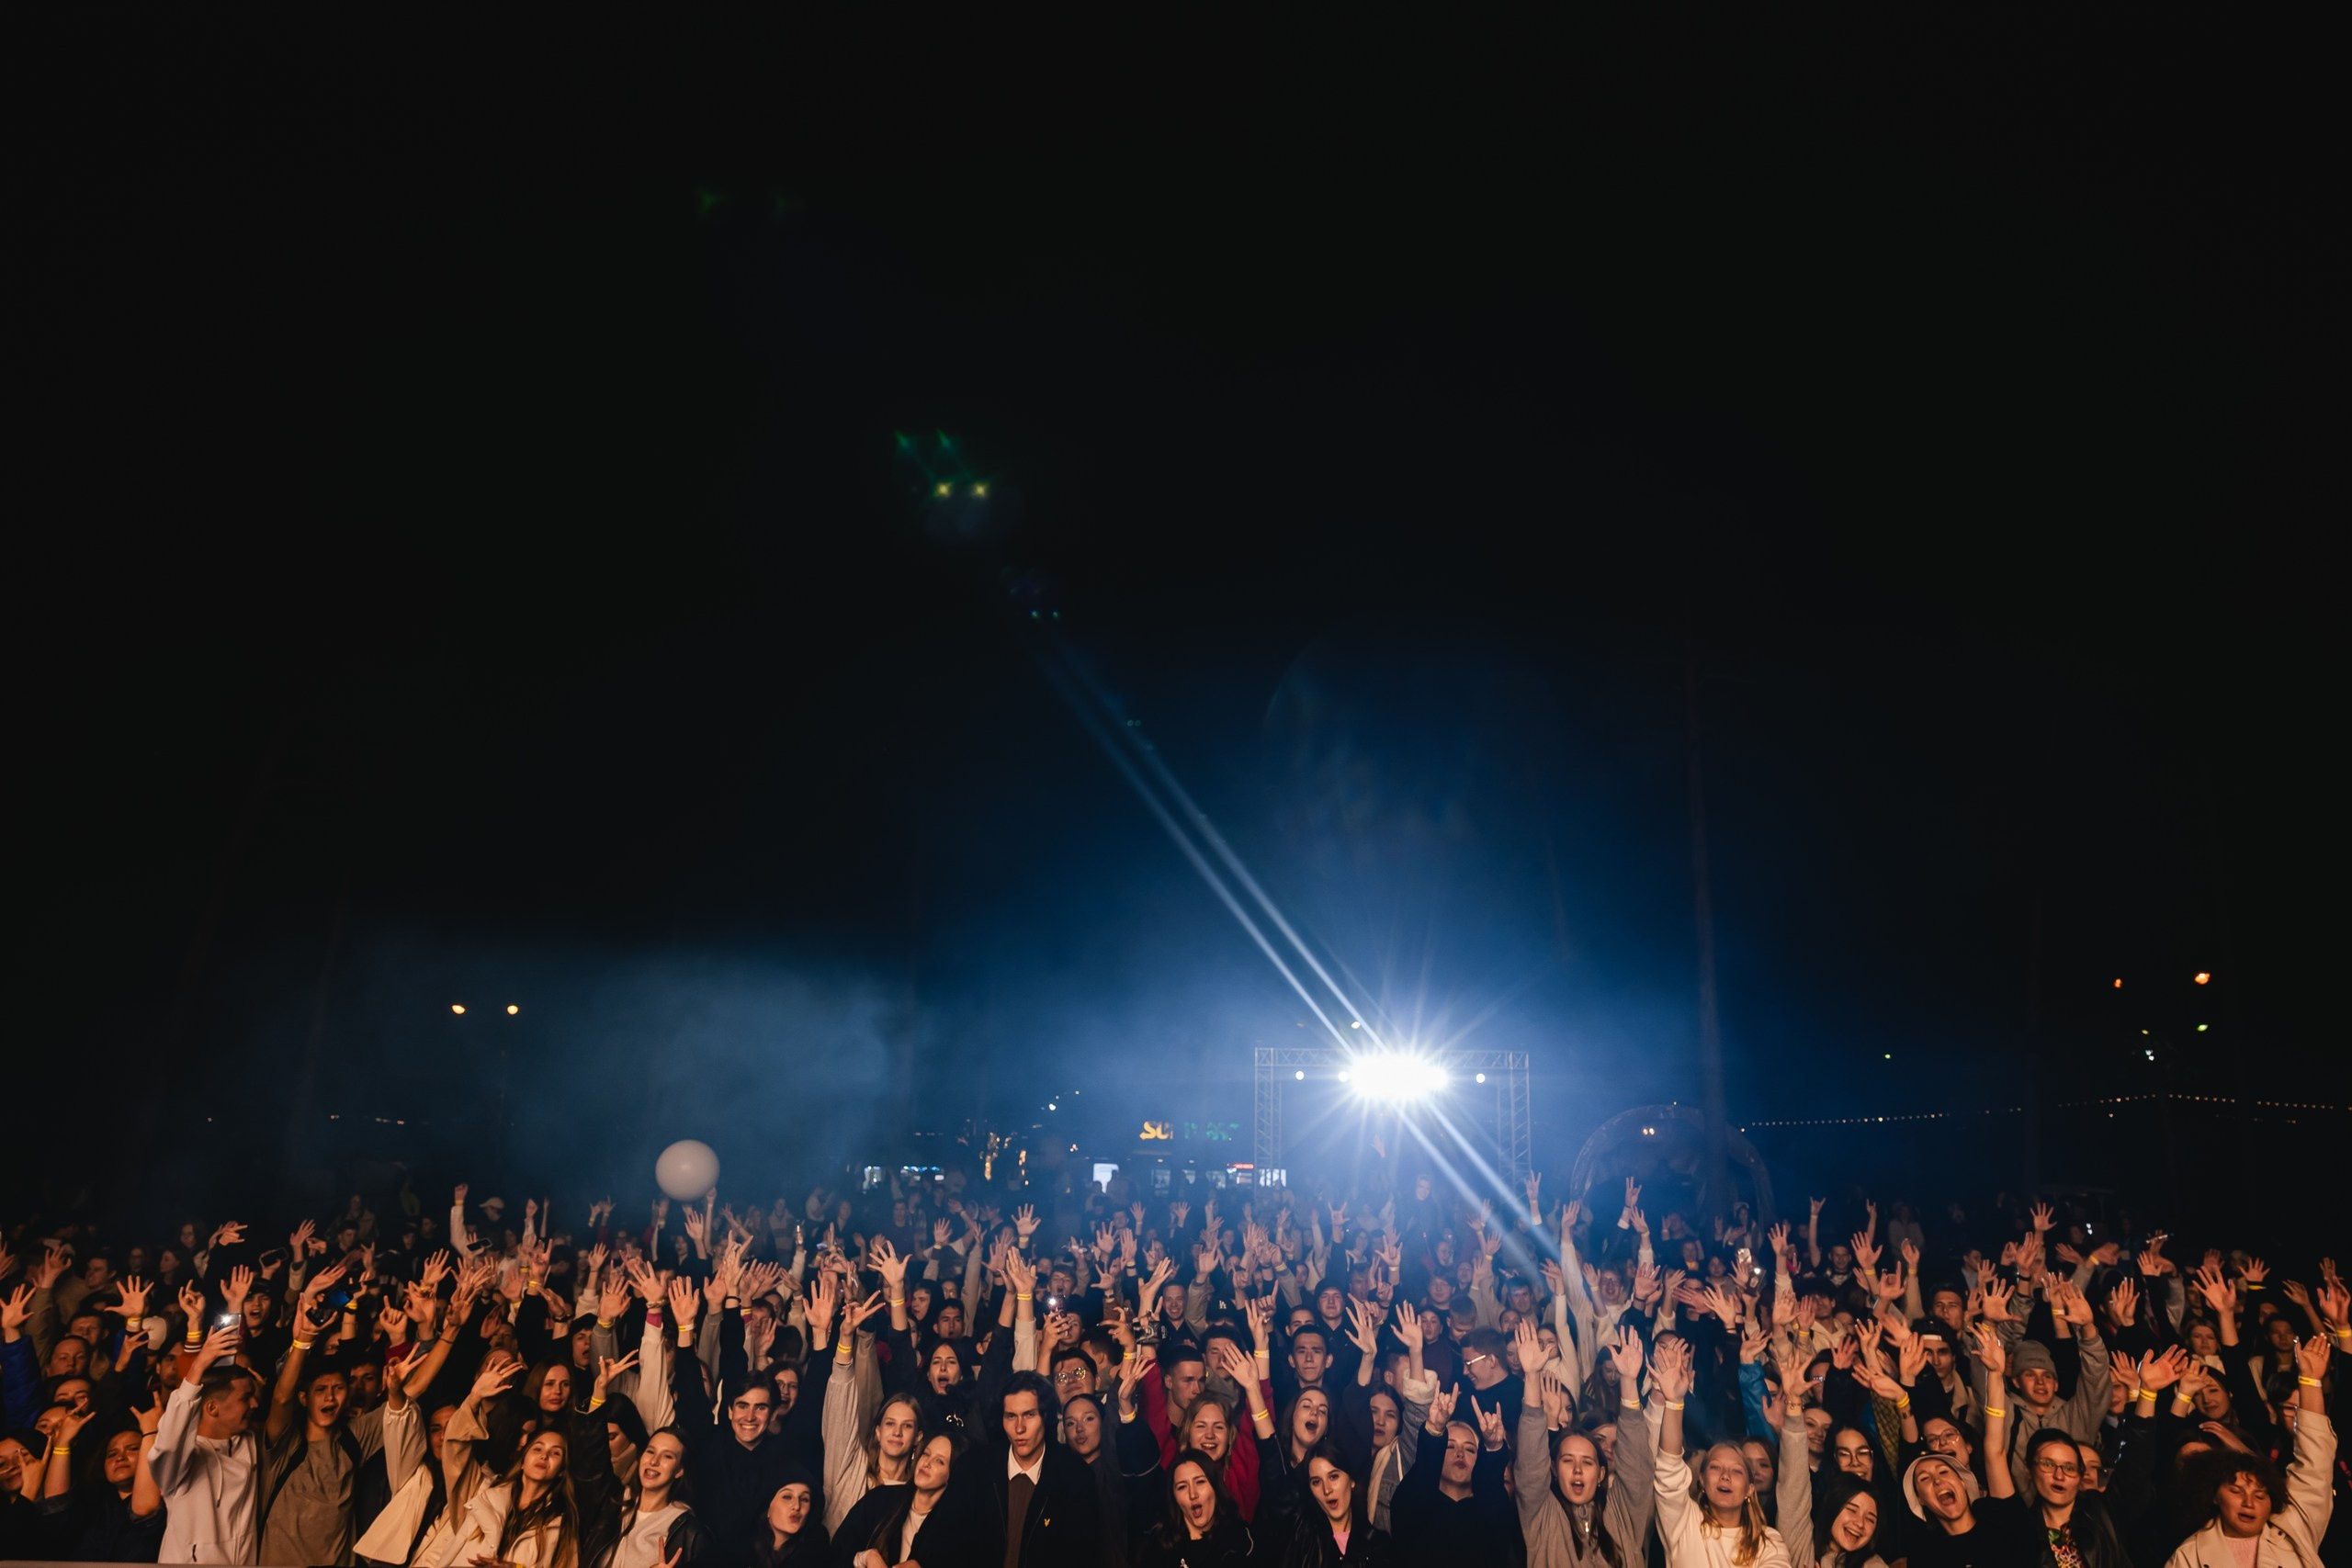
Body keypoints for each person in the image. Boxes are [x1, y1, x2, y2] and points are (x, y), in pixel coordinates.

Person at [2163, 1332, 2334, 1567]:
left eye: (2260, 1495)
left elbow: (2316, 1463)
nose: (2248, 1502)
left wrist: (2311, 1380)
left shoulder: (2293, 1531)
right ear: (2214, 1495)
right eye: (2236, 1491)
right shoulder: (2189, 1556)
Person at [1652, 1335, 1789, 1568]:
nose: (1725, 1476)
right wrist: (1674, 1402)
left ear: (1750, 1488)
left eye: (1736, 1472)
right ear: (1702, 1480)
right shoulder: (1684, 1523)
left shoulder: (1770, 1542)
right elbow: (1668, 1469)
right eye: (1715, 1467)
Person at [149, 1323, 264, 1564]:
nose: (254, 1405)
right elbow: (169, 1442)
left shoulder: (249, 1442)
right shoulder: (181, 1460)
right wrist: (198, 1365)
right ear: (211, 1407)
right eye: (246, 1398)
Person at [985, 1370, 1102, 1567]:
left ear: (1045, 1416)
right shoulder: (977, 1467)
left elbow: (1080, 1556)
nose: (1019, 1428)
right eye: (1011, 1416)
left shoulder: (1075, 1477)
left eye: (1029, 1415)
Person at [837, 1430, 982, 1568]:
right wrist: (866, 1557)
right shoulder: (880, 1498)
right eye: (926, 1454)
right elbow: (837, 1552)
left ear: (953, 1473)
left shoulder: (954, 1528)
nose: (927, 1463)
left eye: (940, 1461)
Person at [1135, 1447, 1256, 1568]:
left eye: (1200, 1482)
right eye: (1182, 1487)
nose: (1193, 1494)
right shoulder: (1160, 1544)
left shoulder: (1239, 1537)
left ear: (1215, 1488)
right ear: (1174, 1497)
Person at [1282, 1442, 1392, 1564]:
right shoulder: (1303, 1534)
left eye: (1333, 1477)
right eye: (1316, 1482)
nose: (1327, 1489)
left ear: (1352, 1481)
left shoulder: (1378, 1544)